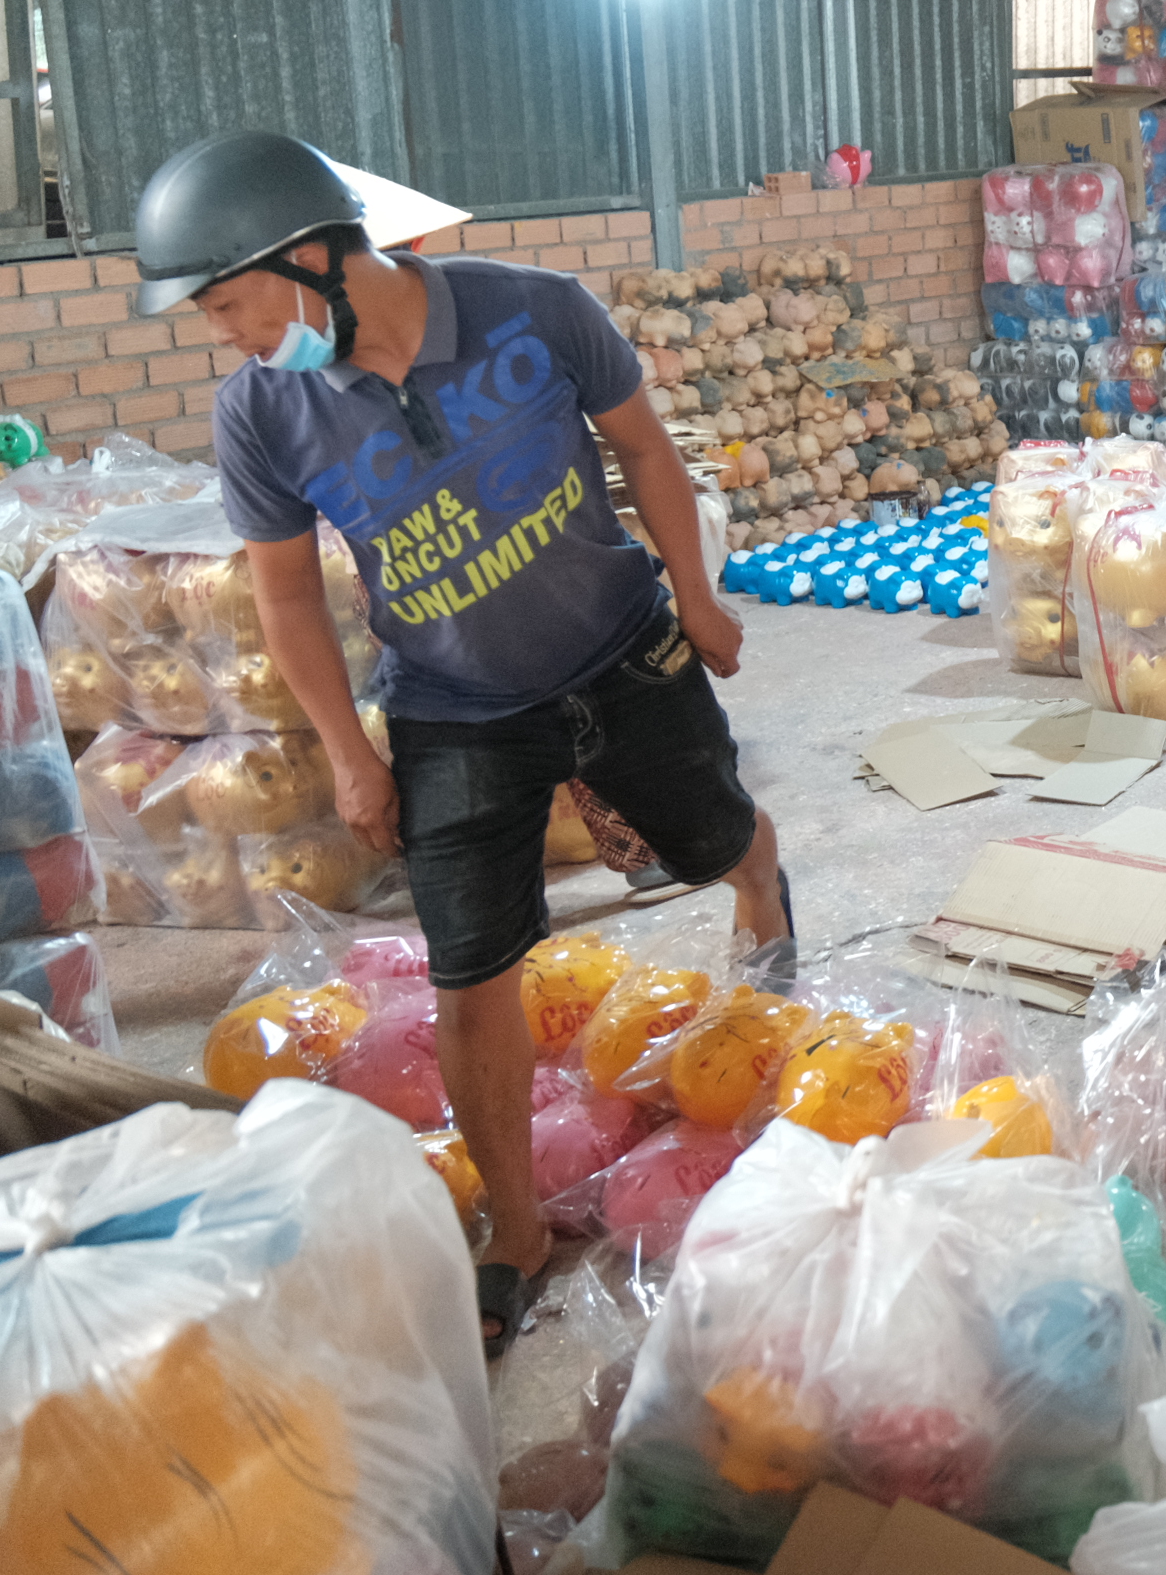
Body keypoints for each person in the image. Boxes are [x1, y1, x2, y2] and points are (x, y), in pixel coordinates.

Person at [132, 131, 788, 1359]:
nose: (221, 330)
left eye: (228, 301)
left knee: (704, 837)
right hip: (453, 705)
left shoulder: (534, 311)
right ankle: (517, 1231)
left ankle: (761, 872)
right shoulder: (261, 413)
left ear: (314, 257)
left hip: (622, 649)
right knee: (469, 964)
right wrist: (347, 751)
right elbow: (282, 599)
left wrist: (698, 595)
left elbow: (643, 448)